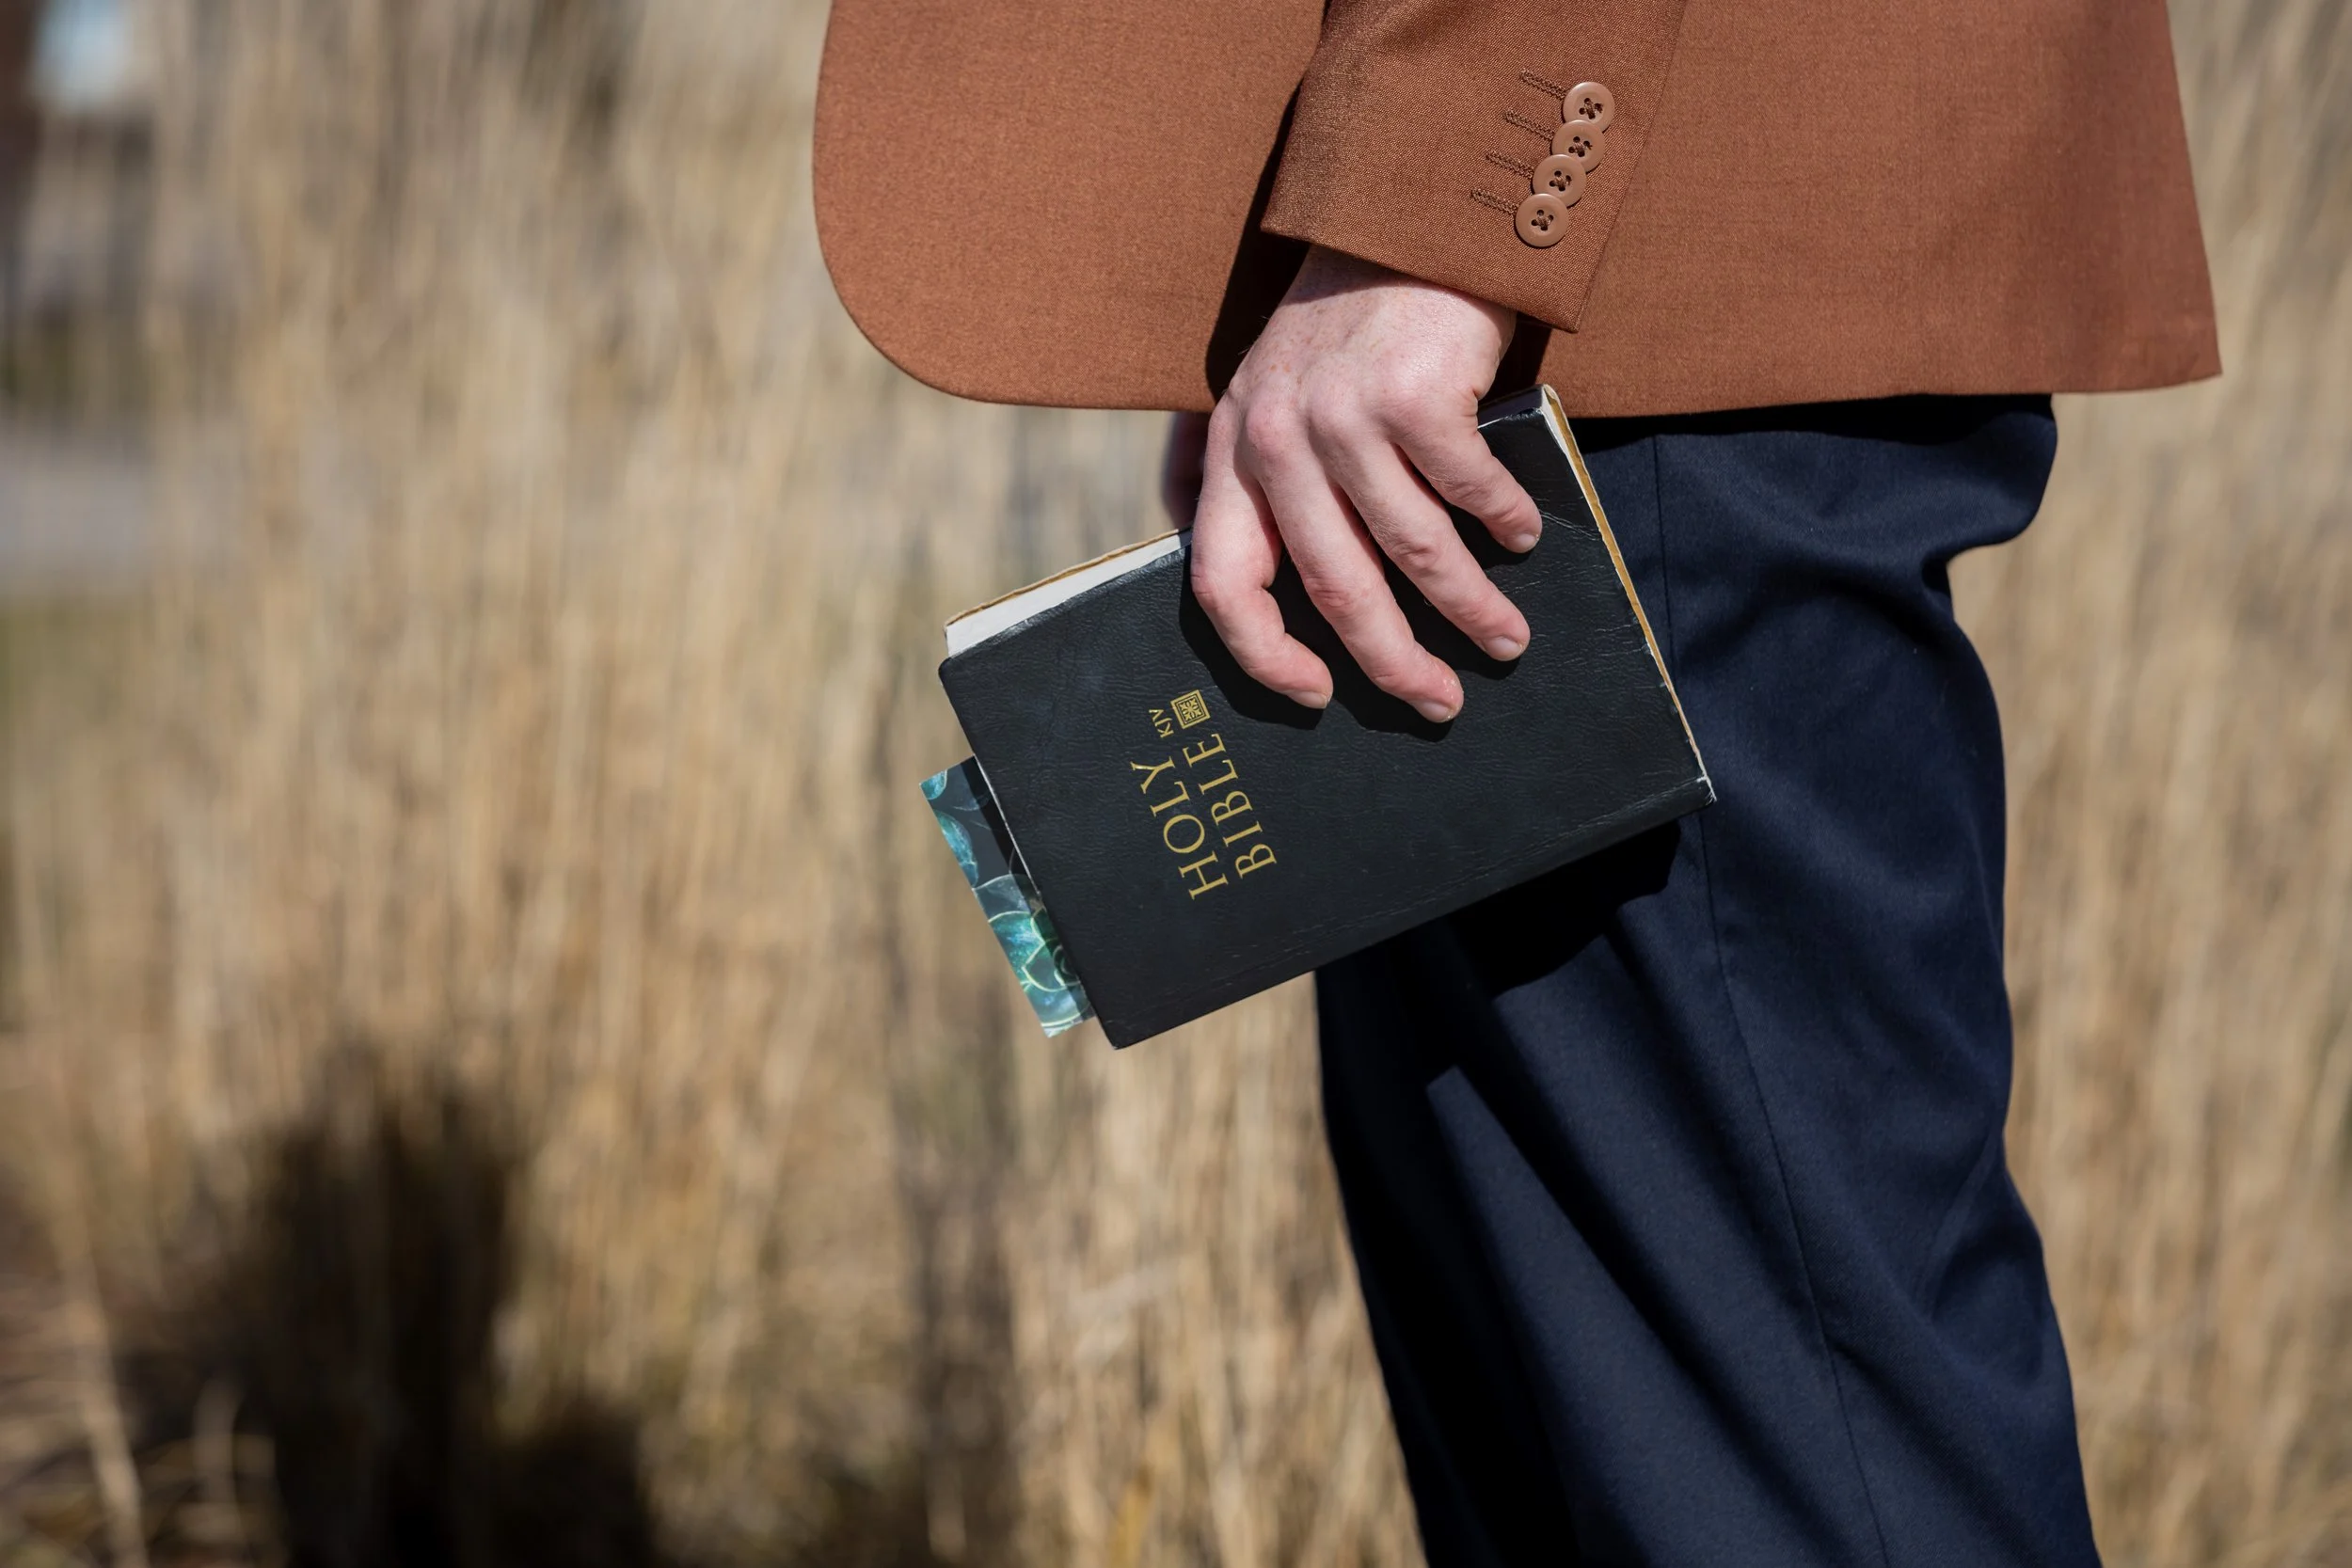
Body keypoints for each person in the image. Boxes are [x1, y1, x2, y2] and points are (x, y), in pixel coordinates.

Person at [815, 1, 2217, 1560]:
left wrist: (1434, 203)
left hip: (1618, 328)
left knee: (1791, 1476)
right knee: (1612, 1468)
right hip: (1567, 339)